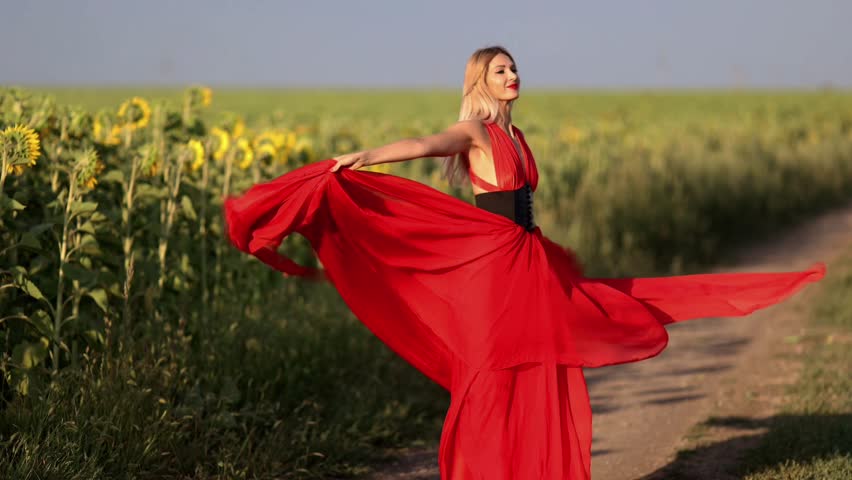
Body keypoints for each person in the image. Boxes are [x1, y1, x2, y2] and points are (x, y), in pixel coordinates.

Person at [224, 46, 825, 480]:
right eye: (499, 71)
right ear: (479, 83)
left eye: (513, 68)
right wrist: (362, 157)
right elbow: (424, 146)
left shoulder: (517, 132)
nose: (511, 76)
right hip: (494, 265)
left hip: (529, 259)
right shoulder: (476, 129)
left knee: (547, 363)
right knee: (492, 368)